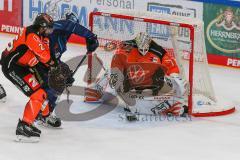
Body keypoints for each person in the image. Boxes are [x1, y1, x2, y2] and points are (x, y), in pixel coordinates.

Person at [85, 32, 188, 120]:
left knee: (140, 104)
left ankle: (171, 105)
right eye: (140, 49)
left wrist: (174, 76)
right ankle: (97, 92)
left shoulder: (159, 51)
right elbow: (118, 63)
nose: (143, 52)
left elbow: (171, 66)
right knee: (112, 74)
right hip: (132, 81)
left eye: (146, 49)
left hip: (149, 85)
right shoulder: (127, 46)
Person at [33, 12, 99, 126]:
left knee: (60, 82)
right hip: (36, 63)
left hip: (47, 63)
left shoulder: (63, 37)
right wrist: (91, 36)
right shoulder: (56, 27)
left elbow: (55, 58)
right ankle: (40, 114)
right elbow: (70, 25)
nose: (72, 31)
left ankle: (45, 113)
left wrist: (65, 73)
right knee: (51, 86)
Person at [0, 13, 57, 142]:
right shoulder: (32, 35)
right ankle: (24, 127)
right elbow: (46, 58)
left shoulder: (41, 35)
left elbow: (47, 56)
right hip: (12, 67)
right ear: (41, 27)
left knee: (43, 89)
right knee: (38, 94)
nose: (49, 31)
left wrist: (54, 66)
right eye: (48, 28)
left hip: (22, 65)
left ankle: (45, 115)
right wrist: (56, 67)